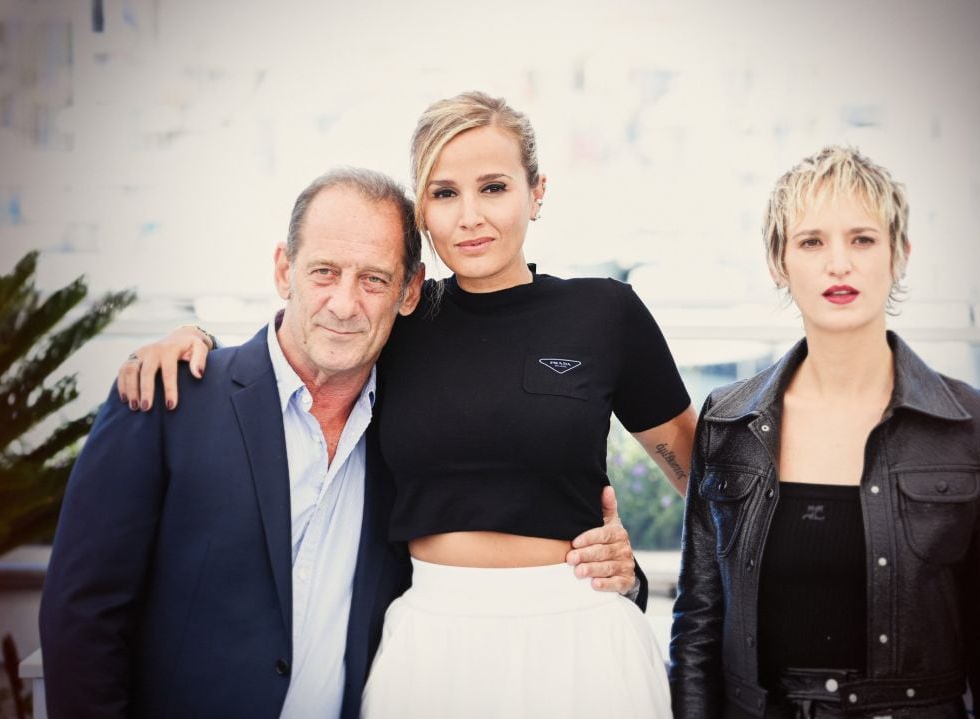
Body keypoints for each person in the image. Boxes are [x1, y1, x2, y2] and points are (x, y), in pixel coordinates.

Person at [119, 91, 697, 718]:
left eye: (494, 187)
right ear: (422, 210)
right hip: (429, 641)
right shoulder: (400, 320)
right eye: (444, 193)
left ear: (536, 192)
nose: (470, 216)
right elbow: (300, 347)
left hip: (581, 635)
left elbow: (707, 487)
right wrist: (194, 342)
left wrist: (633, 574)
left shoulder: (605, 314)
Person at [39, 167, 636, 719]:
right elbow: (82, 619)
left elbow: (488, 536)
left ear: (408, 293)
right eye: (323, 272)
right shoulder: (168, 397)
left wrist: (611, 567)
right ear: (283, 271)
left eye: (374, 279)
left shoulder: (410, 436)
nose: (344, 304)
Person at [669, 146, 980, 718]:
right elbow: (698, 624)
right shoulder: (728, 421)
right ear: (778, 262)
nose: (838, 264)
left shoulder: (973, 424)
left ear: (900, 255)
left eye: (862, 239)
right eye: (812, 242)